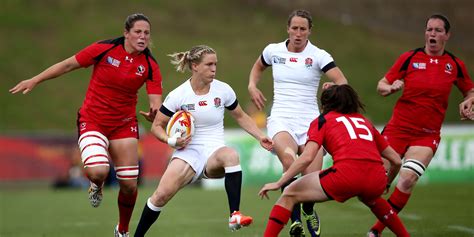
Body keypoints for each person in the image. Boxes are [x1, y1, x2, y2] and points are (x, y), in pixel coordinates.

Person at [9, 13, 163, 237]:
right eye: (138, 32)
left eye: (146, 33)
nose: (142, 37)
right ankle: (96, 185)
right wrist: (35, 79)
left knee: (129, 186)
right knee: (99, 171)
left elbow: (155, 103)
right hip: (93, 121)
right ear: (126, 33)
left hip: (124, 125)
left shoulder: (149, 65)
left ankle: (122, 230)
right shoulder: (105, 49)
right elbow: (67, 64)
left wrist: (154, 114)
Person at [133, 45, 273, 236]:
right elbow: (157, 126)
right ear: (195, 66)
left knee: (231, 155)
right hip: (187, 153)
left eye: (215, 64)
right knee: (160, 196)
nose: (214, 69)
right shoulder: (178, 95)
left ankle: (234, 215)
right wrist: (172, 141)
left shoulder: (223, 90)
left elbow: (240, 116)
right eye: (209, 64)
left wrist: (260, 136)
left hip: (214, 153)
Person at [367, 14, 474, 237]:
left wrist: (468, 103)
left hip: (426, 135)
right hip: (397, 129)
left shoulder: (454, 64)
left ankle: (376, 231)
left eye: (437, 30)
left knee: (407, 179)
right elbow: (381, 85)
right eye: (429, 30)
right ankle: (385, 183)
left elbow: (470, 91)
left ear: (447, 35)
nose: (432, 34)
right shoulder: (409, 58)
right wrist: (391, 88)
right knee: (374, 183)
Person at [259, 84, 410, 237]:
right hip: (376, 177)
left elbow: (307, 157)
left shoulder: (323, 120)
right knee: (373, 199)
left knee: (289, 194)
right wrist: (387, 182)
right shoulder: (364, 121)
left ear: (325, 104)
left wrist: (279, 182)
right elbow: (396, 161)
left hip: (346, 175)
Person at [248, 9, 348, 237]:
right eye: (295, 28)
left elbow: (342, 81)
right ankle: (294, 222)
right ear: (288, 29)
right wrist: (252, 86)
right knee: (289, 158)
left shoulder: (319, 55)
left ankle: (309, 210)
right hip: (281, 118)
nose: (298, 33)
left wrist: (333, 87)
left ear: (309, 31)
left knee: (312, 179)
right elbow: (257, 68)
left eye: (303, 29)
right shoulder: (273, 51)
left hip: (311, 121)